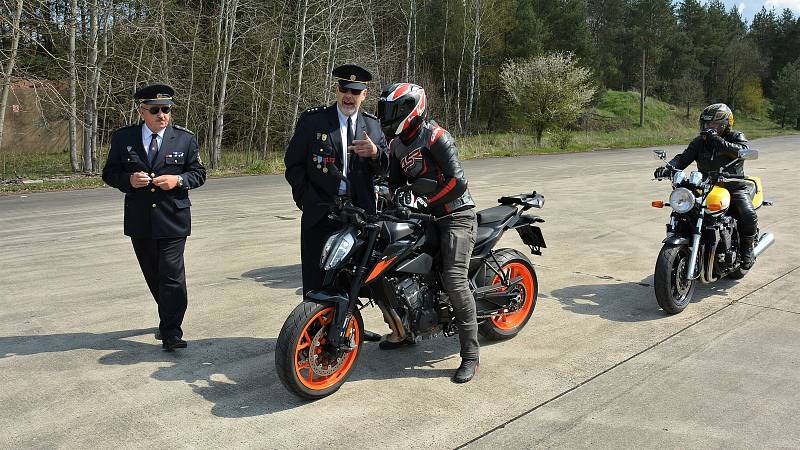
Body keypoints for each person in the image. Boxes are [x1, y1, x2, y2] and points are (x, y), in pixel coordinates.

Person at [377, 82, 480, 384]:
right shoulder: (396, 146)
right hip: (424, 217)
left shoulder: (436, 137)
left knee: (454, 279)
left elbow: (457, 182)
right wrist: (387, 195)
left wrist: (426, 200)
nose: (388, 116)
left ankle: (471, 357)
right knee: (389, 267)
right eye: (386, 110)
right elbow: (394, 186)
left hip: (455, 215)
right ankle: (404, 330)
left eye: (394, 110)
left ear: (413, 109)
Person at [284, 64, 389, 342]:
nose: (348, 96)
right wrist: (305, 198)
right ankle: (310, 335)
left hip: (359, 215)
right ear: (337, 89)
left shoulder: (373, 126)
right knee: (317, 276)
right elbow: (293, 165)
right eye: (344, 89)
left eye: (355, 91)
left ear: (364, 94)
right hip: (322, 211)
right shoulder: (314, 121)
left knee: (354, 276)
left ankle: (349, 327)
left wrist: (376, 153)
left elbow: (387, 168)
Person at [102, 83, 206, 352]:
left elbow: (199, 174)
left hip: (173, 218)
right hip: (140, 220)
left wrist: (178, 179)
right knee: (153, 274)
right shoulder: (124, 138)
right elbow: (109, 173)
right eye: (156, 110)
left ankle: (171, 331)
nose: (163, 115)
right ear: (142, 112)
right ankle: (167, 315)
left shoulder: (185, 139)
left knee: (171, 274)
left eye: (167, 109)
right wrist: (128, 179)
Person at [654, 103, 757, 269]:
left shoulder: (736, 136)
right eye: (707, 124)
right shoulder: (700, 142)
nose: (709, 127)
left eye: (714, 124)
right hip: (705, 186)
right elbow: (683, 158)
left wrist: (716, 141)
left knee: (748, 214)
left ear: (725, 124)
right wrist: (668, 168)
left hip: (733, 186)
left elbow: (741, 151)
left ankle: (747, 249)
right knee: (686, 211)